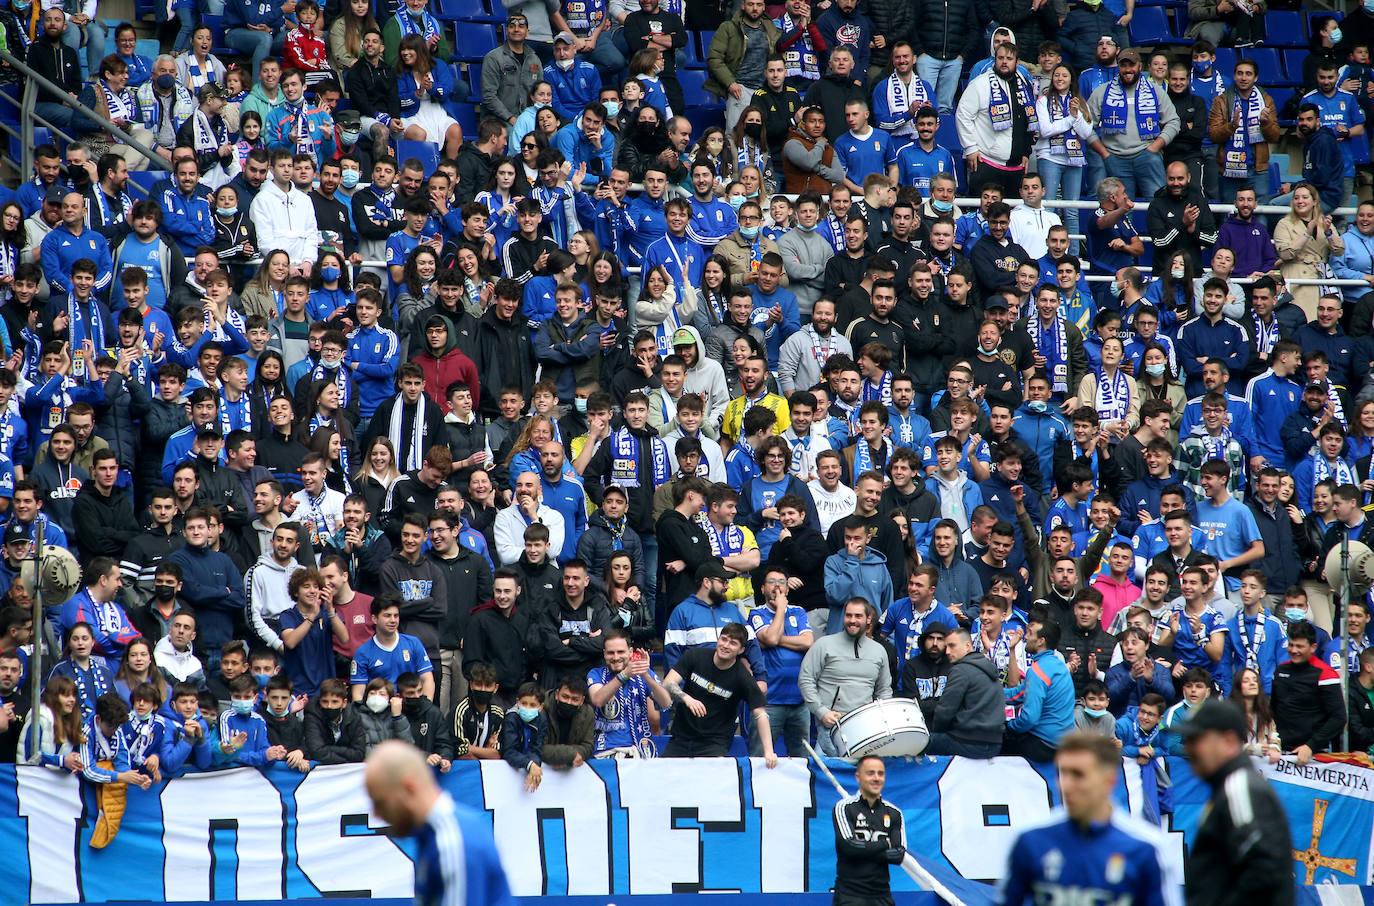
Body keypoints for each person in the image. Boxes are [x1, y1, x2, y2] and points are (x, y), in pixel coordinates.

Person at [999, 731, 1181, 906]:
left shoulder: (1146, 847)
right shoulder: (1031, 840)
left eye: (1078, 774)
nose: (1066, 785)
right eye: (1063, 773)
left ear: (1109, 780)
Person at [364, 740, 516, 906]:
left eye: (380, 802)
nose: (376, 814)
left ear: (409, 787)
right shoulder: (436, 834)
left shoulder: (451, 843)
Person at [1178, 701, 1295, 906]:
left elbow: (1265, 871)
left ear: (1230, 742)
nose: (1189, 747)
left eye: (1197, 739)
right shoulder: (1229, 787)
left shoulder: (1240, 787)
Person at [661, 621, 777, 763]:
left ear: (741, 650)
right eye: (724, 639)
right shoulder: (696, 655)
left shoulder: (742, 676)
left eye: (733, 643)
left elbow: (761, 714)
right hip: (680, 739)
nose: (726, 645)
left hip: (713, 745)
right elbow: (667, 683)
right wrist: (687, 698)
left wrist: (769, 752)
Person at [799, 596, 891, 756]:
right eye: (848, 615)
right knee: (825, 774)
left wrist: (880, 718)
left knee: (862, 776)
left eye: (858, 616)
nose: (852, 620)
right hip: (831, 723)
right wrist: (821, 712)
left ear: (869, 619)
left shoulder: (879, 651)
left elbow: (884, 690)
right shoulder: (824, 644)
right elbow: (805, 680)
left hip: (865, 725)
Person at [832, 755, 907, 906]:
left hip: (883, 896)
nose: (876, 778)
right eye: (870, 773)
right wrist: (885, 843)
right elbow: (849, 848)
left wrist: (863, 848)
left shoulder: (894, 813)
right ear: (858, 777)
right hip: (850, 896)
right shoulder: (844, 807)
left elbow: (898, 854)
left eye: (880, 773)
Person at [1270, 620, 1345, 764]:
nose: (1294, 650)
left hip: (1314, 755)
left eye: (1299, 646)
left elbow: (1339, 717)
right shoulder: (1280, 671)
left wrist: (1311, 746)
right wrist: (1272, 741)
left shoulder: (1325, 674)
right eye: (1291, 645)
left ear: (1313, 647)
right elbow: (1273, 710)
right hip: (1281, 753)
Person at [924, 628, 1004, 758]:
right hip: (995, 743)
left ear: (968, 645)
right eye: (946, 647)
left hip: (969, 742)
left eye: (952, 646)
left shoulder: (960, 670)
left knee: (918, 744)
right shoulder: (988, 665)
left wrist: (937, 733)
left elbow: (944, 712)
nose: (947, 651)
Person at [1003, 620, 1075, 760]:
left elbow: (1029, 719)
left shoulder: (1037, 670)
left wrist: (1009, 726)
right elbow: (1020, 693)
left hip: (1044, 743)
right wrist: (992, 693)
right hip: (1063, 742)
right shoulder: (1058, 665)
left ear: (1041, 641)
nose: (1025, 637)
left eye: (1030, 634)